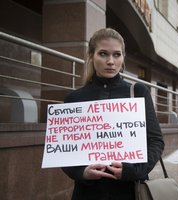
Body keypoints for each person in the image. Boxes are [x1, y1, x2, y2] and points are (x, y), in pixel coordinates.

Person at [62, 28, 165, 200]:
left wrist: (133, 170)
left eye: (117, 55)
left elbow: (155, 141)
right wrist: (81, 172)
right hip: (88, 193)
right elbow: (63, 151)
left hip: (130, 191)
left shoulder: (138, 91)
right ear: (91, 56)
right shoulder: (74, 98)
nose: (110, 61)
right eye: (103, 54)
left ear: (123, 58)